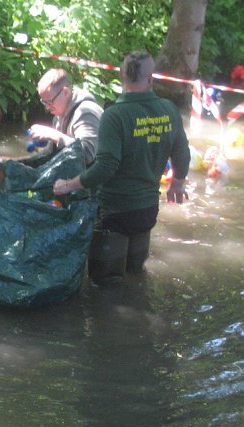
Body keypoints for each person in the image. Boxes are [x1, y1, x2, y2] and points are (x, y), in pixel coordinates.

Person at [53, 51, 190, 284]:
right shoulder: (169, 110)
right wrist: (177, 182)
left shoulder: (114, 116)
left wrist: (69, 185)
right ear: (150, 79)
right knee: (136, 276)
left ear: (121, 76)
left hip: (114, 213)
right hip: (146, 212)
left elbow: (106, 167)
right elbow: (182, 154)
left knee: (105, 285)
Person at [28, 68, 104, 165]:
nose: (47, 107)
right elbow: (51, 155)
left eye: (50, 102)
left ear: (66, 92)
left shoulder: (86, 113)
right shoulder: (58, 116)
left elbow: (87, 154)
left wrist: (54, 135)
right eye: (44, 102)